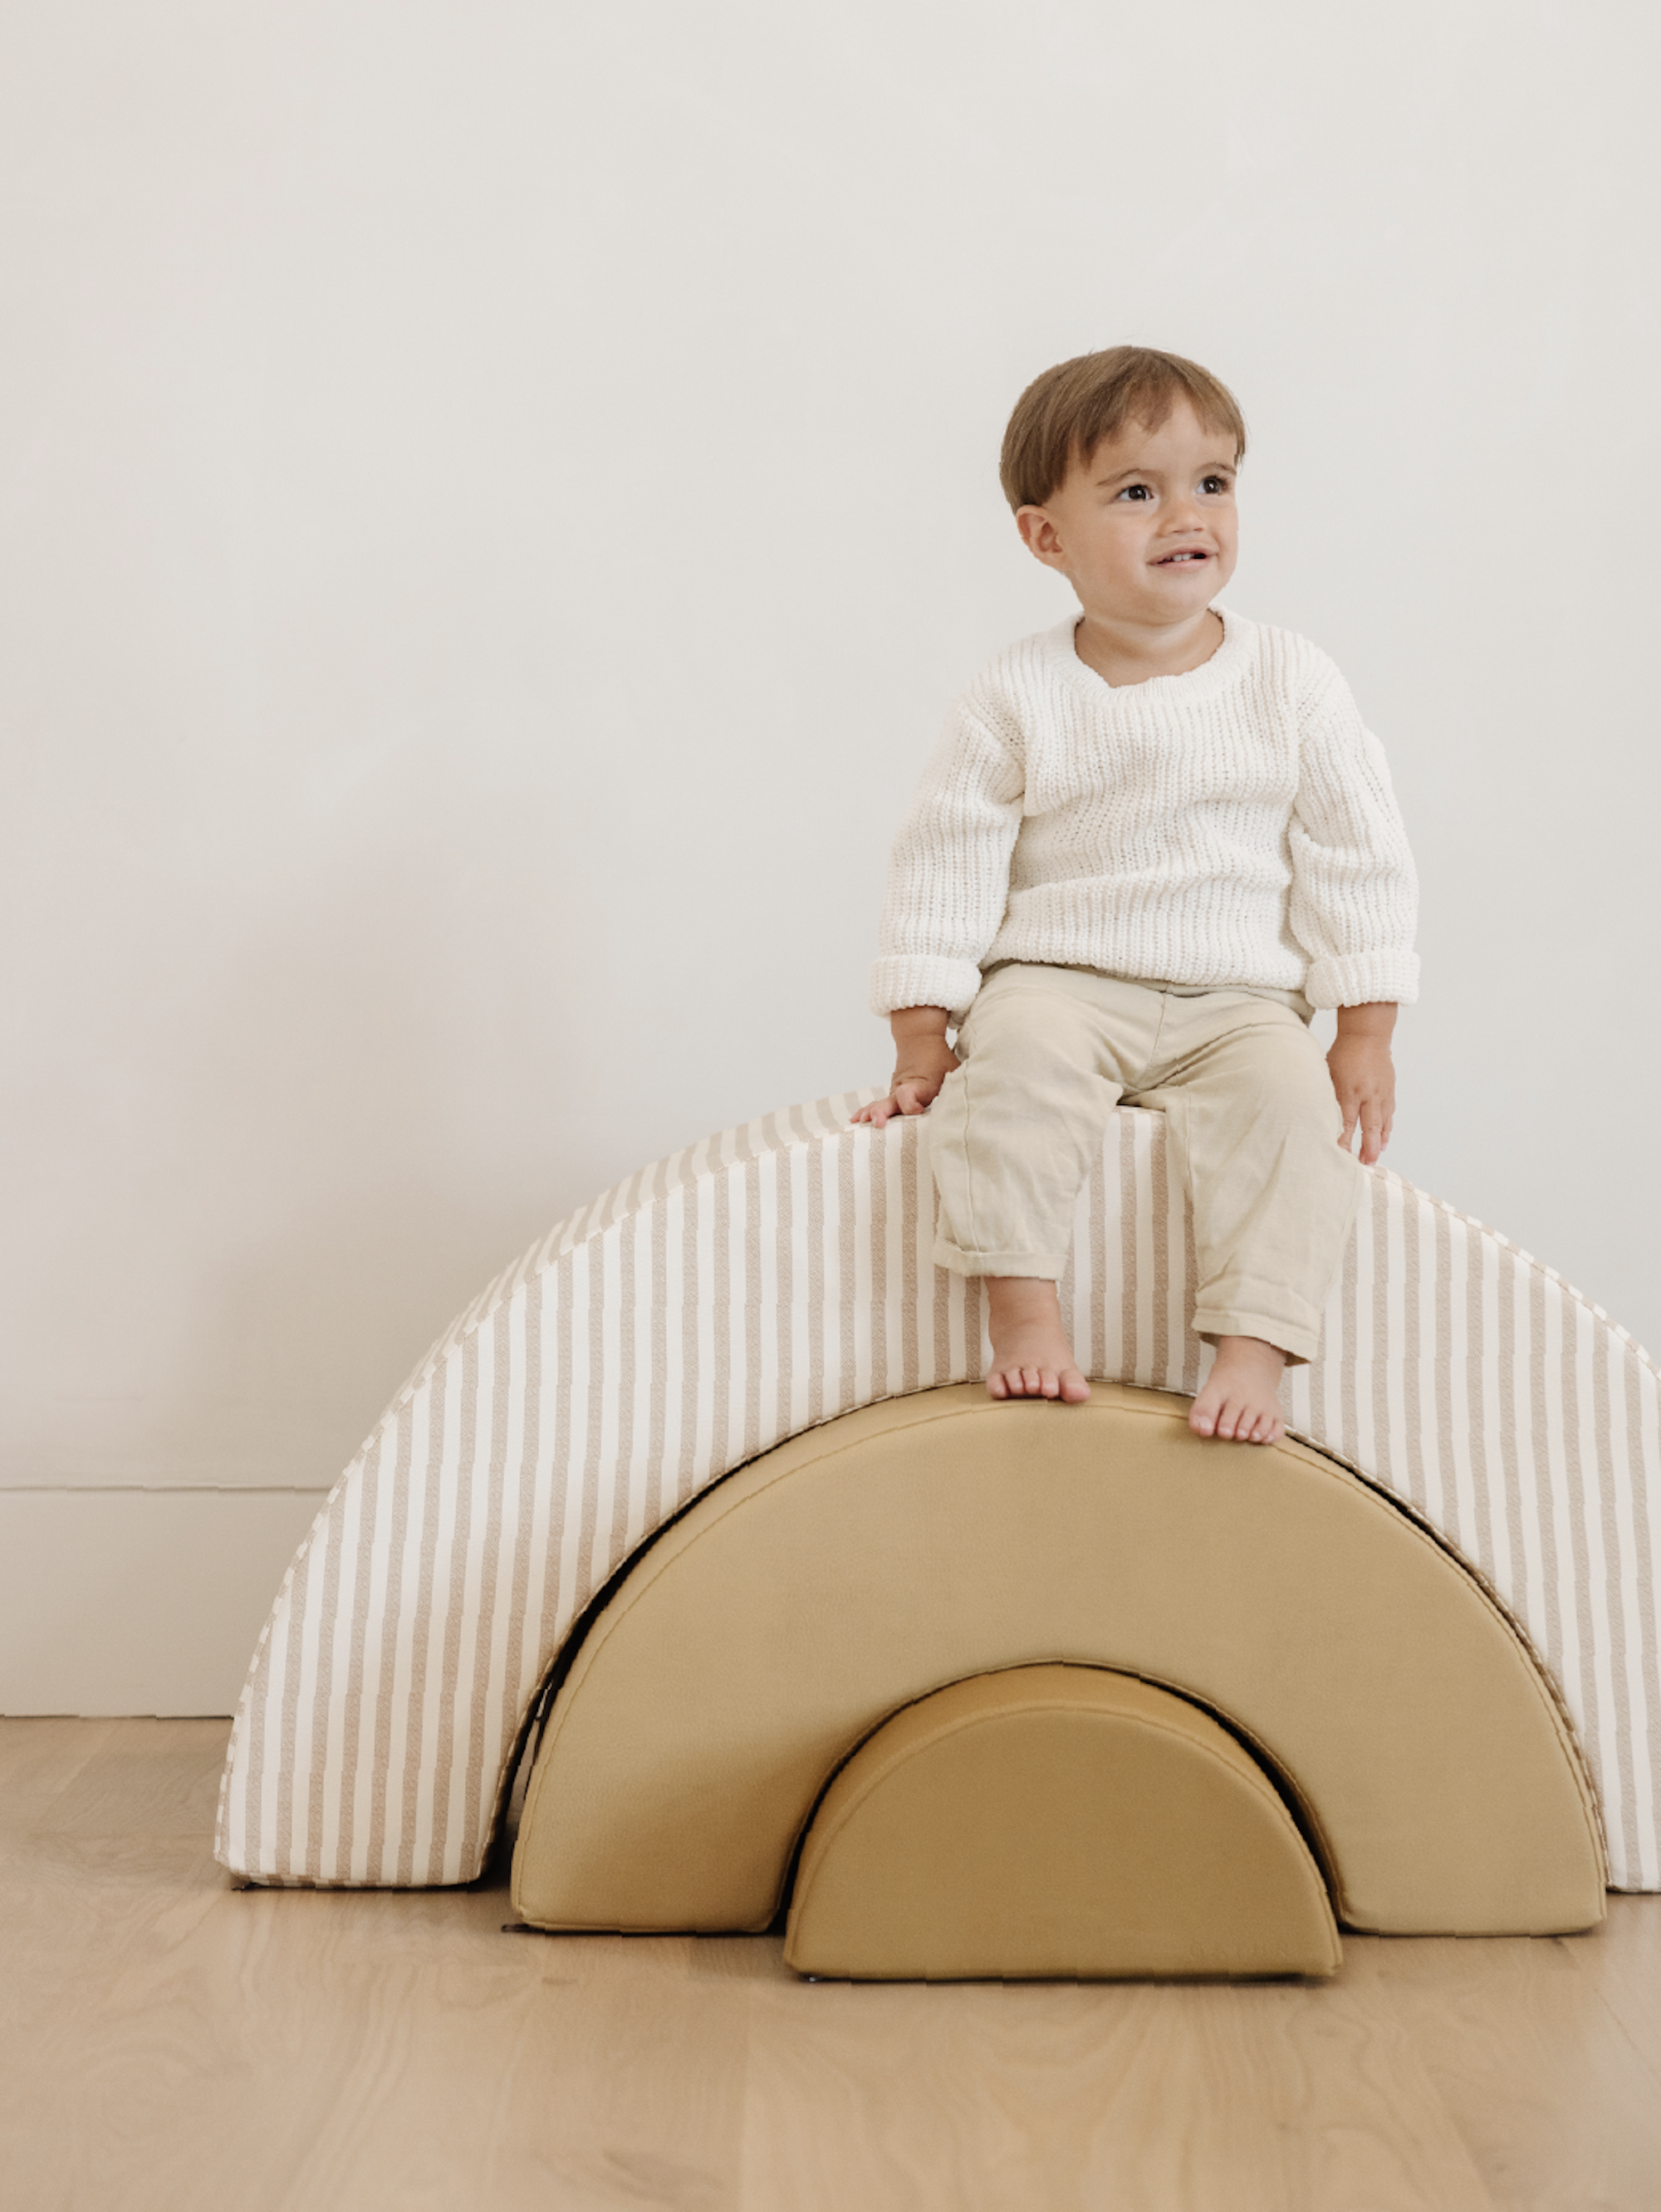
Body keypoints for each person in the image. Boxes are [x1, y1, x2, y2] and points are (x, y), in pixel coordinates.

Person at [852, 346, 1418, 1446]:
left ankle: (1254, 1345)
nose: (1185, 515)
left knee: (1295, 1116)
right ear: (1045, 536)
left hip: (1239, 1004)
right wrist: (923, 1035)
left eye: (1212, 482)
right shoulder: (1016, 694)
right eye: (1136, 492)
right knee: (1007, 1078)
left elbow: (1358, 849)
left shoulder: (1292, 680)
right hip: (1063, 983)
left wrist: (1365, 1026)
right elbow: (944, 859)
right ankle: (1023, 1315)